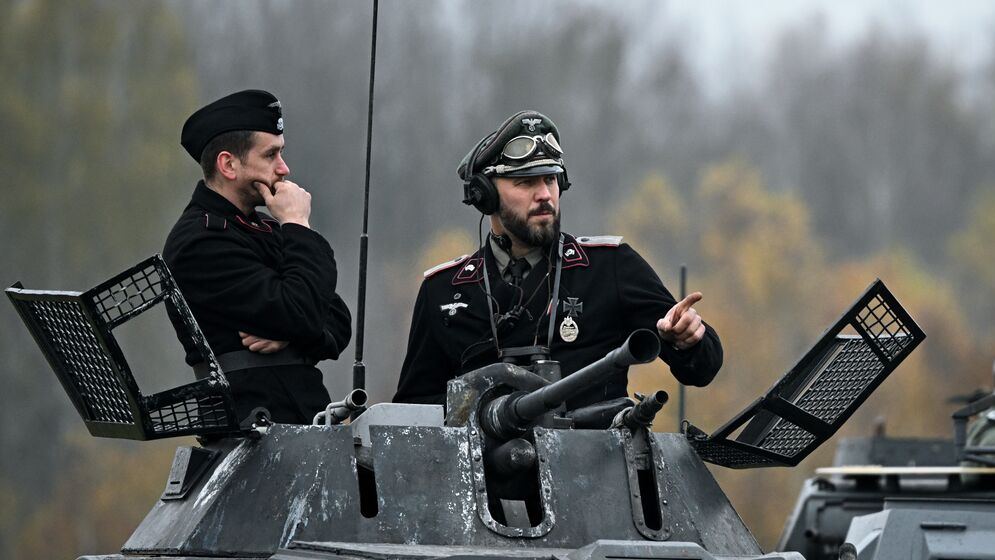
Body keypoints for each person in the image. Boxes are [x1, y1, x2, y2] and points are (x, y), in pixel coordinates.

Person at [394, 109, 722, 408]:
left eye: (550, 179)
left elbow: (703, 367)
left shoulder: (609, 267)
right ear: (486, 196)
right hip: (483, 455)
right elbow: (413, 410)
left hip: (598, 454)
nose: (545, 195)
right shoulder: (445, 291)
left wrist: (687, 339)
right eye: (525, 182)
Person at [164, 89, 352, 425]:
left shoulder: (265, 227)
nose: (284, 168)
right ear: (228, 164)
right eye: (270, 155)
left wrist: (293, 333)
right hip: (252, 432)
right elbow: (303, 310)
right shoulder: (200, 242)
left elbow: (337, 318)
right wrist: (298, 224)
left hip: (303, 425)